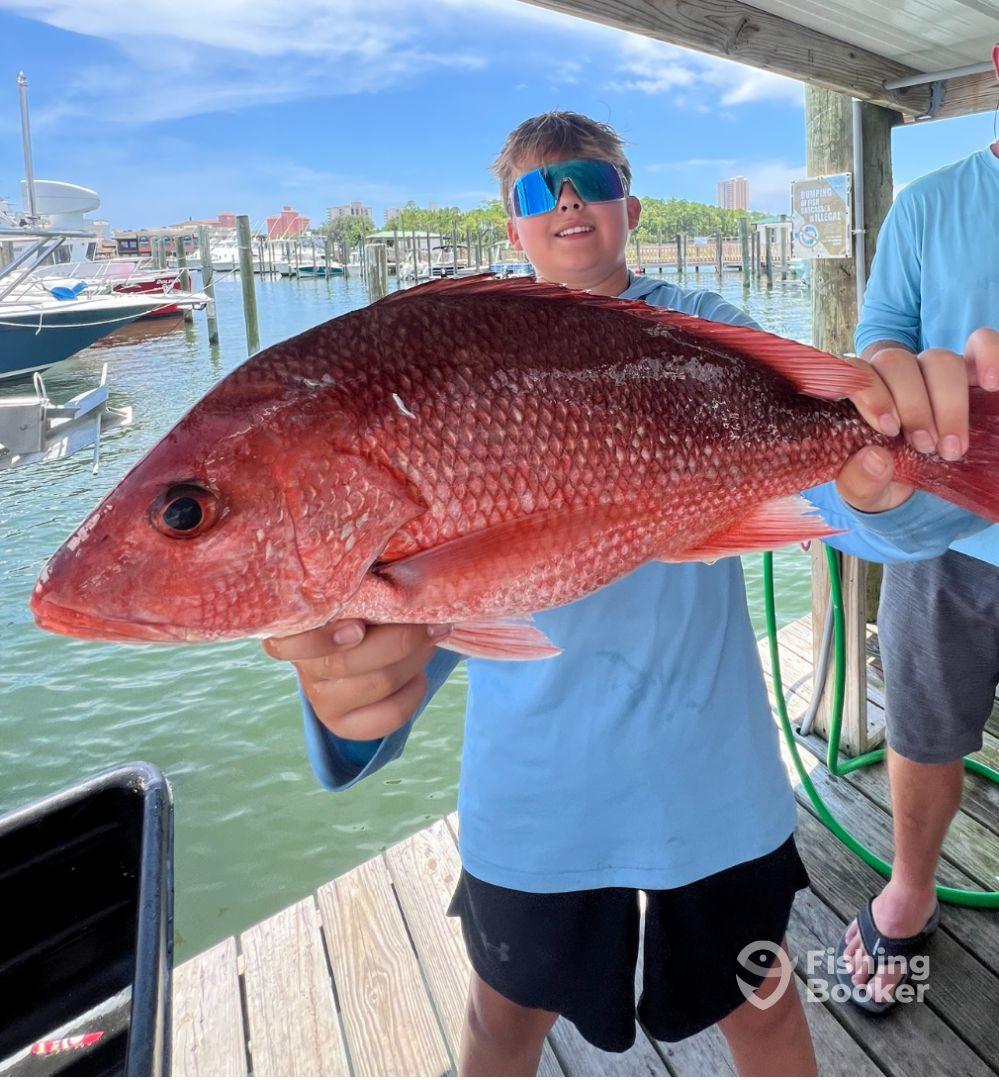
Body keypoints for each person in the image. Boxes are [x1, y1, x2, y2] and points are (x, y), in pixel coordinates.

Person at [264, 112, 997, 1073]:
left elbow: (845, 510)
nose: (566, 200)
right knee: (499, 1019)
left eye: (588, 180)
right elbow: (407, 632)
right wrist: (349, 692)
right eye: (538, 190)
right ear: (511, 226)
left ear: (629, 208)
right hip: (533, 796)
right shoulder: (438, 384)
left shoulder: (716, 337)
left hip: (714, 782)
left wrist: (885, 486)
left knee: (764, 1003)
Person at [806, 44, 999, 1013]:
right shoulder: (930, 199)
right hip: (945, 529)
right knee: (924, 729)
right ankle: (909, 888)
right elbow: (880, 326)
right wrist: (894, 375)